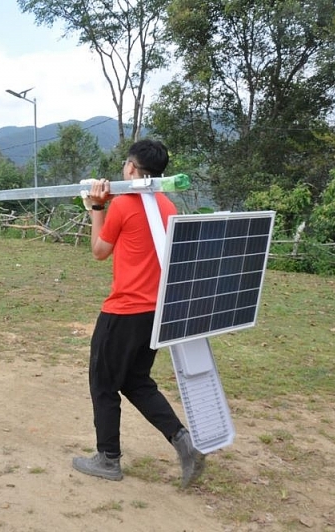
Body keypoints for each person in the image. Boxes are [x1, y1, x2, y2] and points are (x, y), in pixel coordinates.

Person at [72, 139, 205, 488]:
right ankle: (184, 442)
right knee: (135, 382)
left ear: (132, 169)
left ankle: (108, 459)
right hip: (155, 312)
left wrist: (96, 208)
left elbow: (100, 251)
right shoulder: (168, 206)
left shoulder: (124, 205)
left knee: (103, 383)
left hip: (124, 310)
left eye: (125, 164)